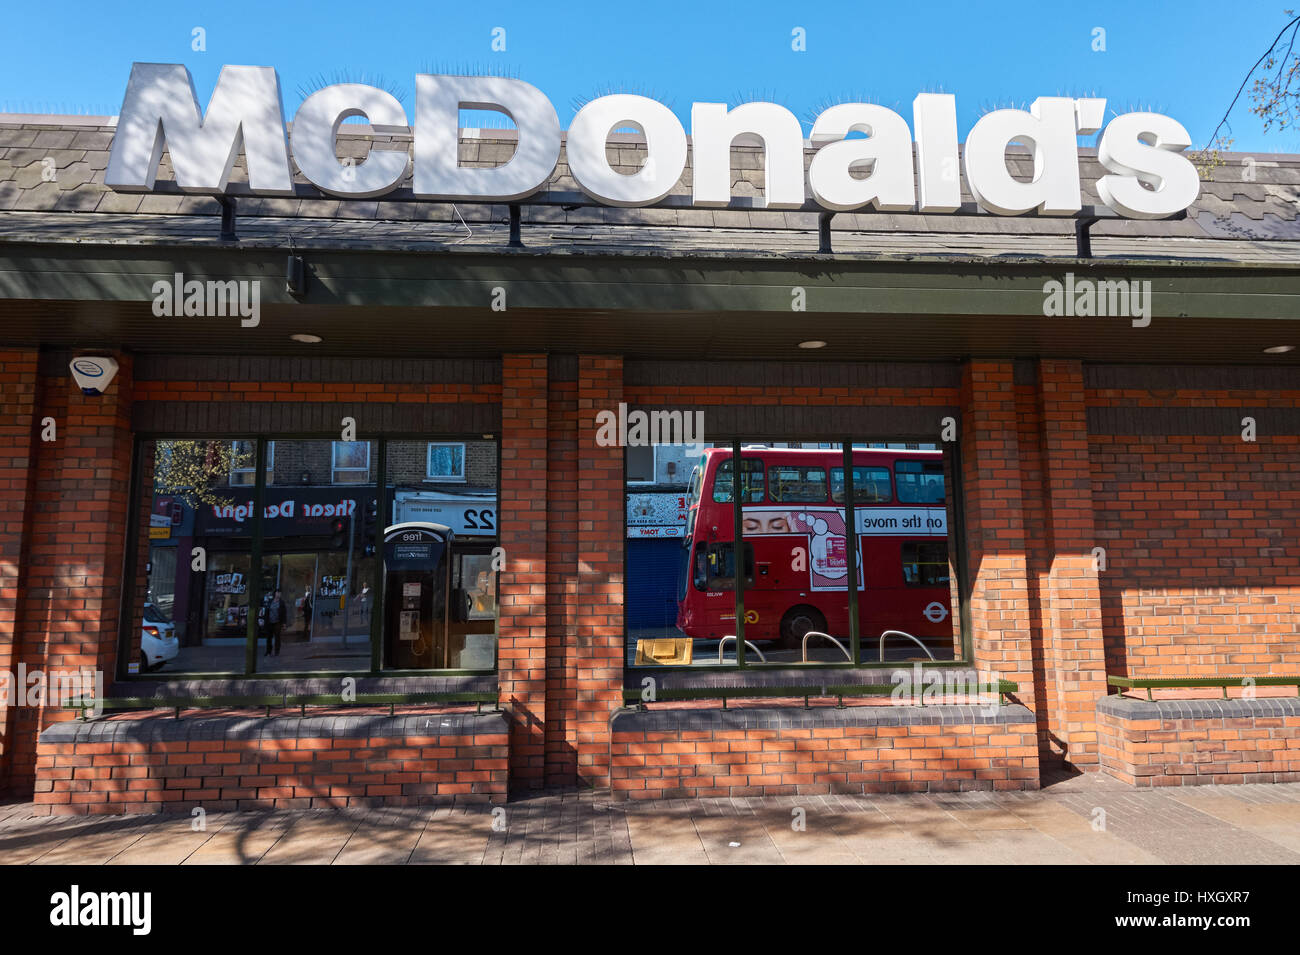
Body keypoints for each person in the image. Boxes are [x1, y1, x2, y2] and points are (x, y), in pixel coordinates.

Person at [266, 589, 287, 657]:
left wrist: (284, 623)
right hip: (270, 622)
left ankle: (276, 651)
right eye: (278, 593)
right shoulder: (270, 601)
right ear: (275, 594)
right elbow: (267, 610)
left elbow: (284, 613)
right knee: (269, 637)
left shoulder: (281, 603)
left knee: (277, 638)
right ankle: (268, 651)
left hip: (277, 622)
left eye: (280, 593)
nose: (279, 594)